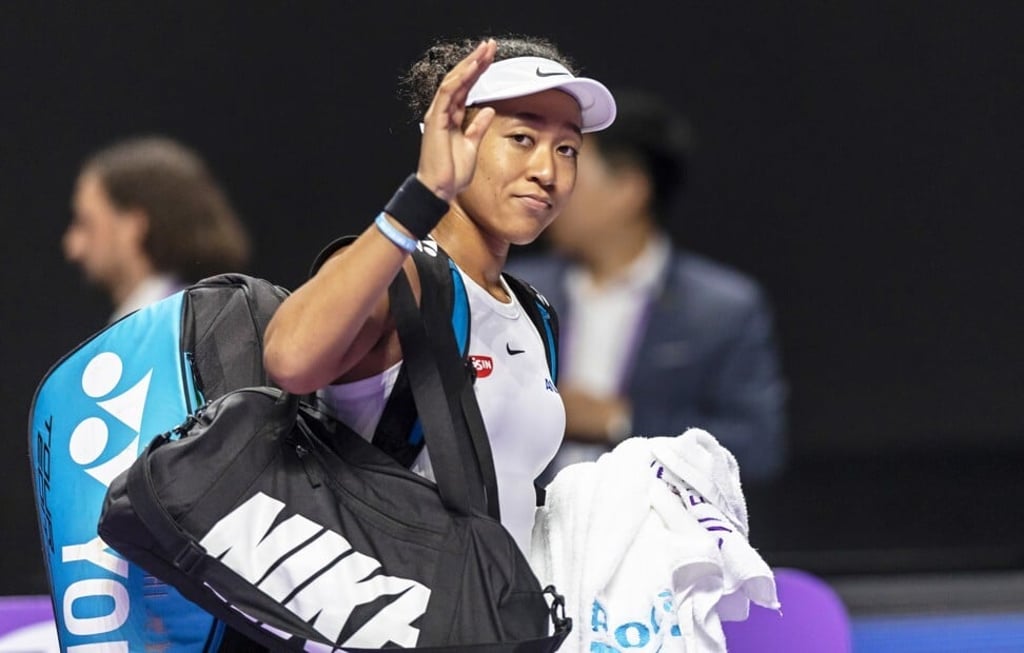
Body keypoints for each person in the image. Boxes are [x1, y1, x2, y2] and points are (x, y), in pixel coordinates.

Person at [263, 36, 616, 557]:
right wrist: (423, 196)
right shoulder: (402, 273)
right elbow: (289, 360)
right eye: (522, 138)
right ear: (454, 134)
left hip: (491, 627)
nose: (548, 171)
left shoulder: (535, 313)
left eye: (567, 149)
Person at [507, 89, 787, 485]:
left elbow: (757, 447)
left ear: (628, 189)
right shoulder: (517, 290)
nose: (548, 182)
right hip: (525, 530)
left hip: (659, 536)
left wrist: (618, 421)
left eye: (570, 163)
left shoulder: (721, 309)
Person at [64, 136, 251, 323]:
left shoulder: (179, 327)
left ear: (133, 226)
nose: (72, 247)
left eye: (85, 223)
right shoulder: (191, 320)